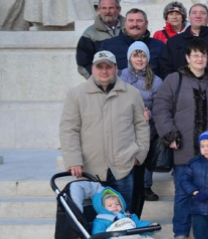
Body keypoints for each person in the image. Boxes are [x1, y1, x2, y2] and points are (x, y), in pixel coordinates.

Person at [153, 38, 208, 239]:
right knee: (183, 193)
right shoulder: (174, 80)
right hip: (183, 148)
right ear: (187, 58)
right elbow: (161, 108)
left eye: (203, 55)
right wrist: (169, 134)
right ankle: (180, 232)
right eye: (195, 55)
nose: (199, 58)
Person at [60, 50, 150, 208]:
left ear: (116, 68)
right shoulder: (76, 94)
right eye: (99, 66)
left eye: (108, 66)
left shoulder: (132, 93)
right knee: (93, 220)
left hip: (123, 167)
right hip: (90, 168)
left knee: (122, 216)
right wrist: (73, 160)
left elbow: (141, 125)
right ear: (93, 68)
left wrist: (139, 154)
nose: (104, 71)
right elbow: (69, 129)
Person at [119, 41, 163, 208]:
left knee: (144, 159)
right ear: (130, 57)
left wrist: (148, 114)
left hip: (145, 128)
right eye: (136, 55)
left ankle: (146, 186)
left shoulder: (156, 81)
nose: (139, 59)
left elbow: (160, 105)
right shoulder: (120, 77)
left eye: (142, 55)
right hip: (124, 129)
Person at [91, 188, 177, 239]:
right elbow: (98, 232)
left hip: (133, 235)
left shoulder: (128, 216)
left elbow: (138, 224)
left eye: (117, 204)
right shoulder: (101, 220)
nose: (114, 206)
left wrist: (149, 225)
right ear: (102, 208)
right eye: (110, 205)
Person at [159, 4, 208, 87]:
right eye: (194, 13)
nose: (198, 16)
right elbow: (166, 68)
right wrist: (175, 88)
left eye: (202, 13)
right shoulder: (174, 42)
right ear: (189, 18)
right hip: (181, 92)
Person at [100, 8, 165, 76]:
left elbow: (165, 74)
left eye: (139, 21)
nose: (135, 24)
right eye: (131, 21)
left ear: (146, 23)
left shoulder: (160, 47)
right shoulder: (108, 46)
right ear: (125, 23)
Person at [76, 0, 124, 79]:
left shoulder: (130, 30)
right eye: (104, 8)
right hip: (103, 85)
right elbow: (83, 63)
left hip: (129, 83)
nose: (107, 11)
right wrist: (97, 80)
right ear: (99, 10)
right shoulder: (89, 34)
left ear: (119, 9)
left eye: (111, 8)